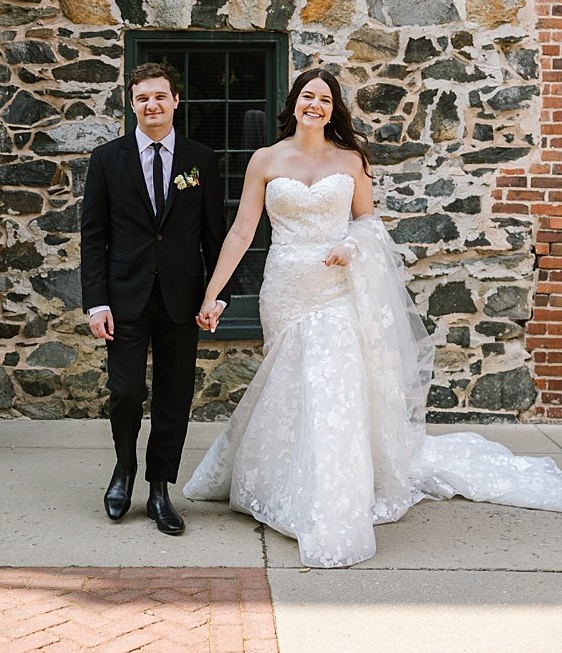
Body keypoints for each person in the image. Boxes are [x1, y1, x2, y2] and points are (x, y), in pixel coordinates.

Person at [185, 67, 562, 568]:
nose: (314, 104)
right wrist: (215, 294)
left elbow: (368, 220)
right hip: (286, 288)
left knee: (332, 386)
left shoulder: (350, 159)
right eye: (307, 96)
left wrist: (350, 244)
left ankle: (332, 502)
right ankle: (280, 479)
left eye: (324, 98)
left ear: (332, 108)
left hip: (337, 288)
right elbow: (240, 234)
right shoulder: (265, 160)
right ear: (294, 103)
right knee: (292, 387)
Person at [80, 62, 230, 535]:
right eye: (143, 97)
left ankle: (160, 486)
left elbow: (215, 236)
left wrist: (215, 296)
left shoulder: (200, 159)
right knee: (125, 392)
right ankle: (124, 469)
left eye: (160, 96)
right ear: (132, 103)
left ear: (175, 101)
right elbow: (93, 237)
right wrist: (96, 302)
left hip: (181, 300)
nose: (152, 105)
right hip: (123, 298)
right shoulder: (107, 159)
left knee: (174, 396)